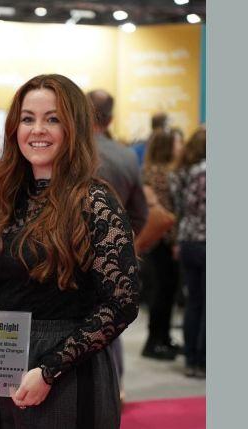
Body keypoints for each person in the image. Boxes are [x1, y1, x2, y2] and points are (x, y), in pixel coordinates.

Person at [0, 74, 140, 429]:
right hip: (5, 360)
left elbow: (122, 302)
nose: (37, 129)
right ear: (14, 128)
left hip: (69, 371)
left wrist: (50, 370)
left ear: (74, 128)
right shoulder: (7, 201)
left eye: (52, 119)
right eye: (28, 118)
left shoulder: (95, 201)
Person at [87, 88, 147, 403]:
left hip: (70, 256)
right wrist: (120, 242)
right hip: (116, 258)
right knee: (113, 321)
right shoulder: (126, 156)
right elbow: (141, 214)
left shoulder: (71, 152)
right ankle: (115, 389)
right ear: (111, 118)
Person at [139, 128, 184, 360]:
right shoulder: (165, 174)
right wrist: (176, 240)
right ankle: (156, 341)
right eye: (177, 142)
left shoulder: (148, 171)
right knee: (163, 292)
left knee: (162, 291)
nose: (181, 146)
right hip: (164, 241)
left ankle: (162, 338)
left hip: (153, 240)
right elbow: (170, 212)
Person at [170, 126, 206, 378]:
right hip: (206, 240)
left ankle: (192, 358)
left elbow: (178, 207)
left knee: (194, 303)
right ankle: (202, 360)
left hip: (188, 240)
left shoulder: (181, 172)